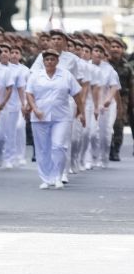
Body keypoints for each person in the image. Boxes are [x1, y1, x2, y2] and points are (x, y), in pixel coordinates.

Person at [26, 49, 84, 189]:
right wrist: (35, 109)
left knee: (59, 146)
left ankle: (58, 176)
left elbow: (77, 94)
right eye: (47, 59)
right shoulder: (36, 76)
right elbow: (29, 93)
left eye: (52, 59)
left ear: (57, 61)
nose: (49, 62)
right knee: (42, 149)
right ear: (43, 61)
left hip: (62, 116)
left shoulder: (66, 75)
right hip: (40, 116)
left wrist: (81, 112)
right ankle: (46, 178)